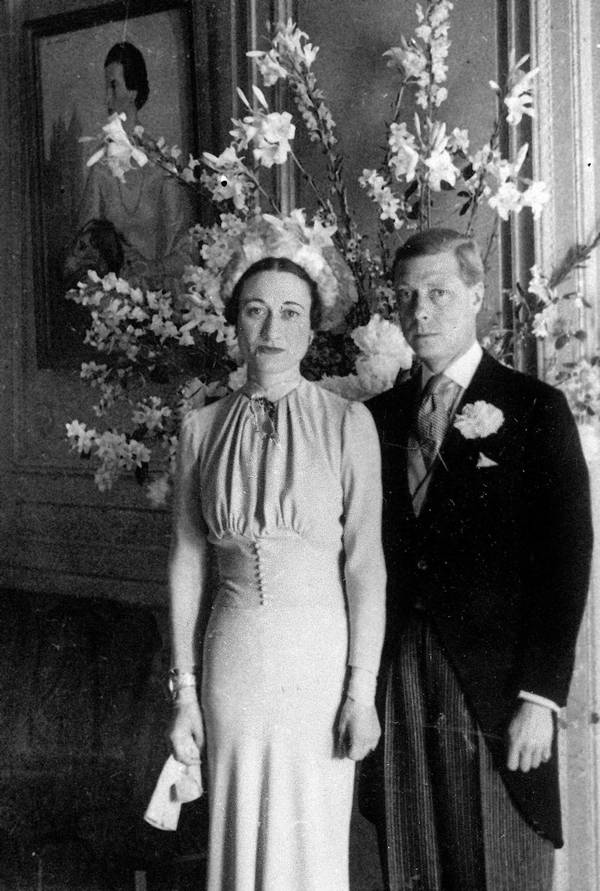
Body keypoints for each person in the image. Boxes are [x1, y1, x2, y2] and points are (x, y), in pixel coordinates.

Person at [363, 228, 593, 891]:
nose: (420, 311)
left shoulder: (535, 408)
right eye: (406, 296)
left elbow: (566, 559)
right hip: (399, 675)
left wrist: (540, 698)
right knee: (414, 862)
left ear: (475, 294)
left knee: (498, 863)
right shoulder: (375, 419)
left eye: (438, 293)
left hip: (495, 687)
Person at [167, 214, 386, 891]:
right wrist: (185, 693)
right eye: (255, 310)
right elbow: (186, 562)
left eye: (290, 312)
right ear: (234, 322)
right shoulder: (201, 429)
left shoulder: (348, 422)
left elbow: (365, 565)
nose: (272, 328)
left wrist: (361, 692)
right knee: (237, 828)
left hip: (318, 660)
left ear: (312, 327)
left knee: (311, 832)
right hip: (231, 656)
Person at [77, 41, 192, 289]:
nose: (107, 97)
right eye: (106, 86)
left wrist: (153, 269)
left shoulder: (162, 165)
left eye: (113, 85)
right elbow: (83, 247)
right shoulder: (100, 168)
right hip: (113, 300)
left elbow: (186, 250)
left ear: (133, 91)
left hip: (162, 300)